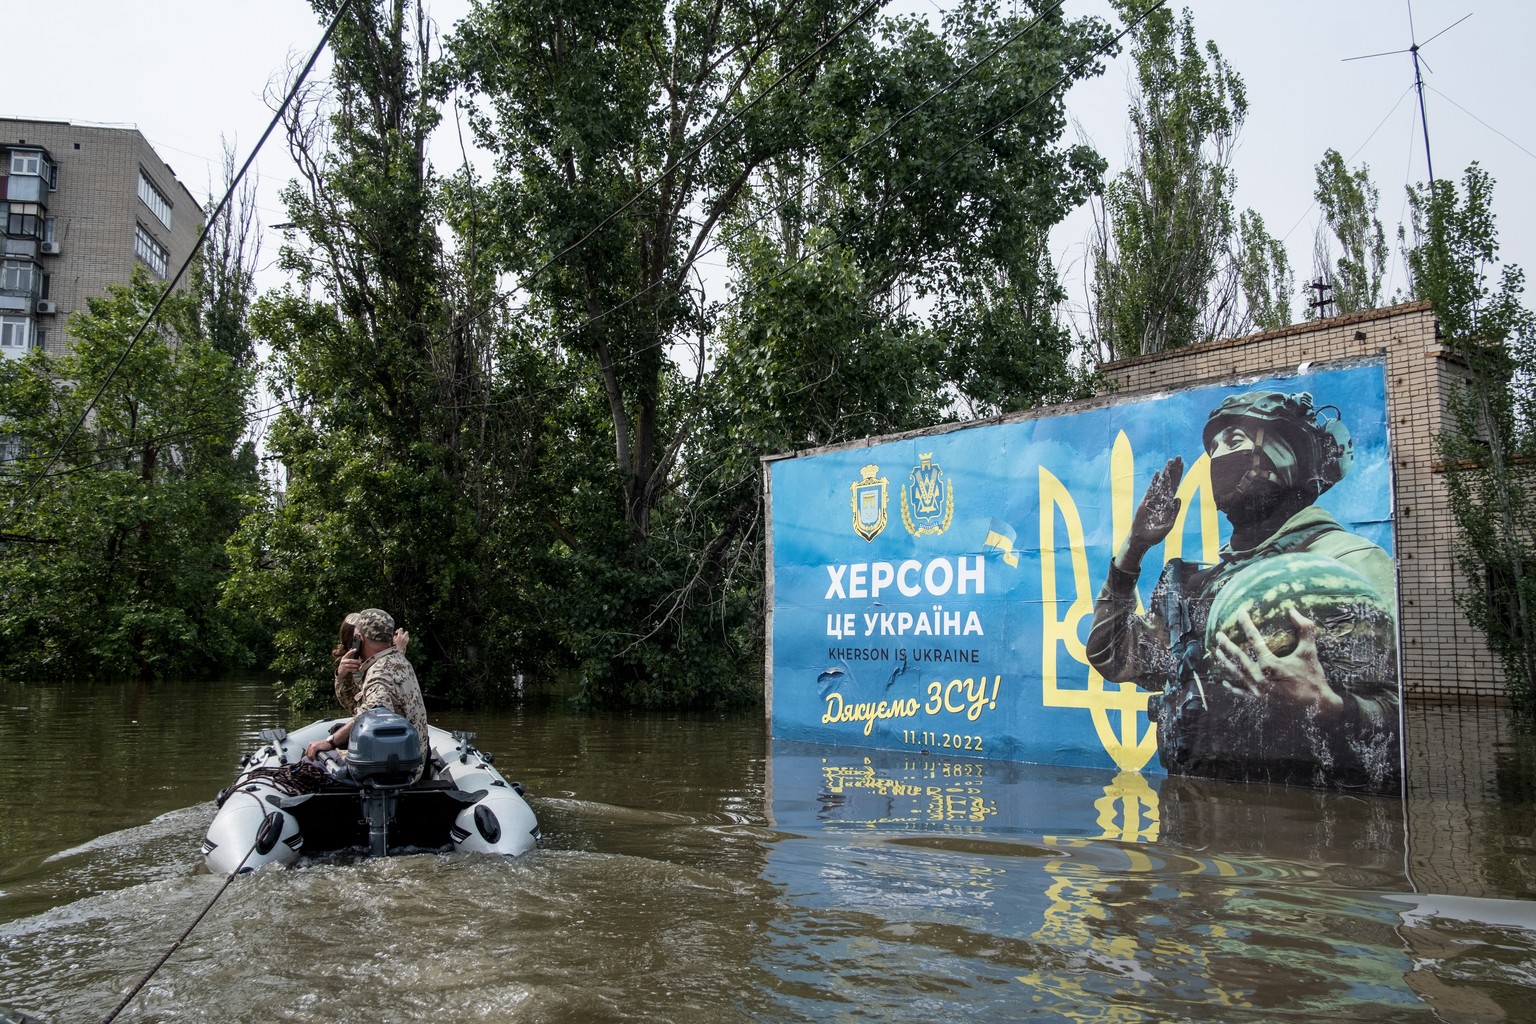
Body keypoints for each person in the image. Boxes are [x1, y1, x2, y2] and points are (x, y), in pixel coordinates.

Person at [1085, 390, 1401, 792]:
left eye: (1234, 442)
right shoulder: (1201, 586)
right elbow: (1112, 657)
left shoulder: (1348, 563)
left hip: (1301, 834)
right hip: (1191, 829)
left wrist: (1332, 710)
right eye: (1213, 448)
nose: (1218, 459)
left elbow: (1402, 723)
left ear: (1288, 455)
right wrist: (1134, 549)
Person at [305, 608, 429, 780]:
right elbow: (355, 705)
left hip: (396, 769)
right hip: (408, 760)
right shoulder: (398, 660)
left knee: (310, 762)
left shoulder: (379, 673)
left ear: (359, 639)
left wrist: (330, 742)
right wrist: (341, 676)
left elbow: (370, 713)